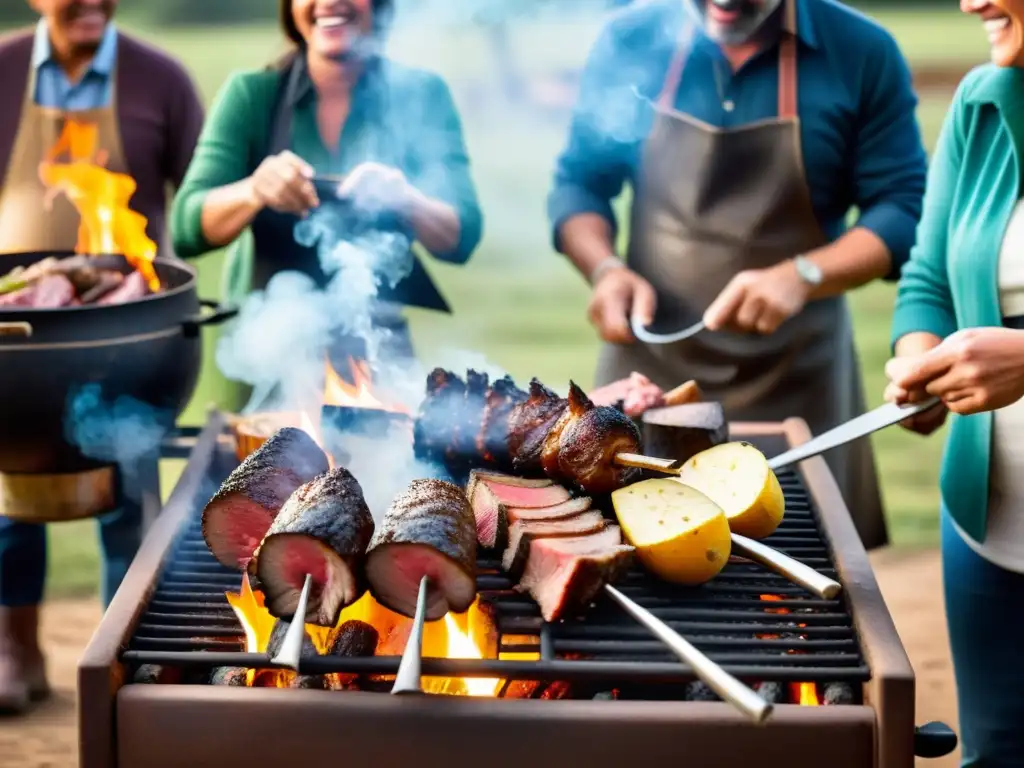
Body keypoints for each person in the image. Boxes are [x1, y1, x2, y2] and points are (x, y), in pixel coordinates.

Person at [546, 0, 928, 551]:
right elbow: (578, 184)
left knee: (805, 576)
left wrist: (804, 274)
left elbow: (899, 208)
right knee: (636, 558)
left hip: (796, 379)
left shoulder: (862, 52)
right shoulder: (628, 41)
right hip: (648, 386)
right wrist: (605, 269)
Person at [0, 0, 204, 714]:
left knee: (129, 504)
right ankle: (14, 650)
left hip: (124, 333)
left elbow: (197, 204)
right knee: (7, 505)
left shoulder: (162, 78)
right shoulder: (0, 68)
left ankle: (124, 657)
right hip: (17, 333)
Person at [170, 0, 483, 383]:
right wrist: (255, 189)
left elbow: (462, 233)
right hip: (266, 351)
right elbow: (185, 228)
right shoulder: (251, 94)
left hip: (379, 351)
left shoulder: (421, 94)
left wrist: (404, 199)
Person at [885, 0, 1024, 761]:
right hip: (989, 518)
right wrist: (919, 356)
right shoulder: (981, 100)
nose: (971, 0)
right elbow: (930, 275)